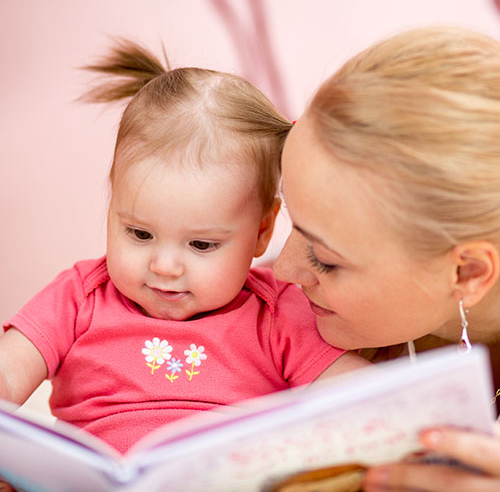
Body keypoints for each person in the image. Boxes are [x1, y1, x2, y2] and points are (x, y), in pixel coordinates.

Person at [0, 39, 367, 456]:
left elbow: (359, 391)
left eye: (200, 244)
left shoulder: (277, 311)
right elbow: (9, 372)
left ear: (262, 231)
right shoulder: (79, 296)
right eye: (139, 234)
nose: (165, 265)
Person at [273, 25, 500, 491]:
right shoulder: (269, 321)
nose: (282, 270)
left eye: (325, 259)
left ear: (468, 272)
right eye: (289, 221)